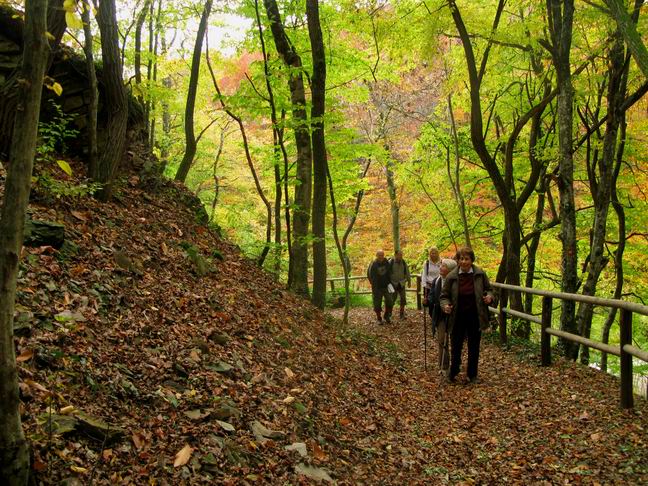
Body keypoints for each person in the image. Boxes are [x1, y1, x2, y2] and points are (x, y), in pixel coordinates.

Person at [440, 246, 494, 384]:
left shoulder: (480, 274)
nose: (464, 262)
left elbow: (489, 290)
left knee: (474, 346)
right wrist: (445, 305)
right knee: (456, 346)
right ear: (458, 260)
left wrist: (489, 297)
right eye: (461, 259)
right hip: (457, 316)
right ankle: (454, 371)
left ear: (472, 260)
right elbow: (444, 296)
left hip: (475, 316)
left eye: (467, 259)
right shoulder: (452, 276)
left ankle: (472, 374)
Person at [429, 258, 458, 375]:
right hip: (440, 316)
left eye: (444, 266)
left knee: (455, 342)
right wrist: (428, 301)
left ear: (450, 270)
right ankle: (444, 366)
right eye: (441, 265)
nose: (441, 267)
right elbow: (432, 295)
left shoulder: (456, 283)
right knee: (442, 340)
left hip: (454, 316)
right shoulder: (436, 281)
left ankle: (455, 365)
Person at [367, 250, 393, 324]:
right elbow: (369, 275)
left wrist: (390, 282)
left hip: (386, 286)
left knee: (390, 301)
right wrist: (373, 283)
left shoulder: (386, 262)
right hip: (377, 287)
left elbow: (390, 272)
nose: (381, 257)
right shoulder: (373, 264)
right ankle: (379, 318)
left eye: (382, 255)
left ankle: (386, 316)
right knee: (377, 303)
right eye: (379, 255)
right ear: (376, 255)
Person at [389, 250, 411, 319]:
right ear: (395, 255)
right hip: (393, 283)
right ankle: (389, 313)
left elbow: (407, 272)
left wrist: (409, 281)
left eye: (401, 255)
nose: (400, 256)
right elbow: (387, 273)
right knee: (392, 299)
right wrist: (388, 283)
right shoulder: (391, 262)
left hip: (401, 283)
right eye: (399, 255)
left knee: (403, 299)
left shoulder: (403, 262)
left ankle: (402, 314)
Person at [421, 246, 441, 314]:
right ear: (430, 254)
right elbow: (424, 275)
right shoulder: (427, 263)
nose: (433, 255)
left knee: (438, 302)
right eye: (432, 253)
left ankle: (437, 317)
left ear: (437, 253)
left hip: (438, 286)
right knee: (430, 303)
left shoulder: (441, 262)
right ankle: (432, 315)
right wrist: (424, 286)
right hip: (429, 286)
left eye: (435, 253)